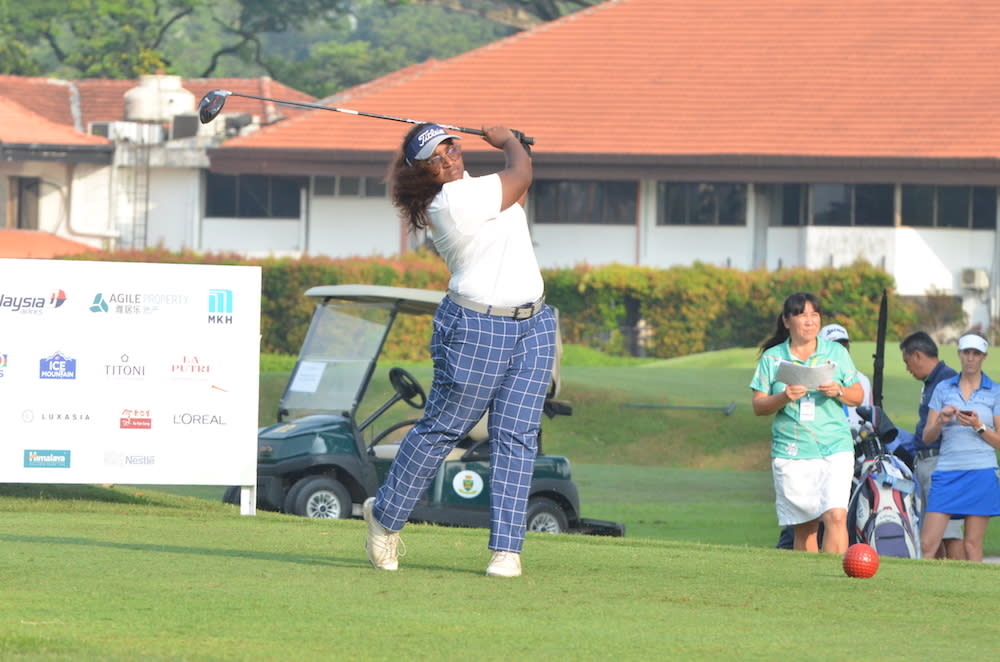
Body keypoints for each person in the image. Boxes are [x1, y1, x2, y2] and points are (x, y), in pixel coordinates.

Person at [362, 122, 556, 578]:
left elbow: (515, 197)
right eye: (434, 158)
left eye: (449, 147)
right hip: (477, 326)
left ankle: (507, 551)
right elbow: (520, 177)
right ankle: (385, 516)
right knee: (443, 428)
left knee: (517, 435)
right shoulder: (449, 202)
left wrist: (519, 151)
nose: (446, 158)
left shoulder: (479, 188)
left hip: (535, 323)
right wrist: (508, 141)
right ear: (421, 173)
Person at [751, 292, 864, 553]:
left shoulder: (835, 352)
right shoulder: (772, 357)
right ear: (787, 321)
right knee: (805, 526)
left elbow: (857, 395)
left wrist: (839, 391)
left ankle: (833, 584)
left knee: (836, 516)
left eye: (815, 315)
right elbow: (759, 406)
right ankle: (811, 583)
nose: (810, 321)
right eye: (802, 315)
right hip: (793, 449)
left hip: (835, 445)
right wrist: (784, 396)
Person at [775, 322, 872, 549]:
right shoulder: (805, 371)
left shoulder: (860, 380)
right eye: (836, 344)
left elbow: (863, 407)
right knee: (807, 519)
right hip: (807, 446)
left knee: (836, 514)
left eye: (844, 345)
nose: (841, 350)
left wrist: (840, 391)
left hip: (844, 447)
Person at [919, 331, 1000, 562]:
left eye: (976, 353)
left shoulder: (995, 391)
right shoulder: (943, 389)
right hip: (947, 470)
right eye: (966, 352)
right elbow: (927, 436)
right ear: (959, 354)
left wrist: (978, 425)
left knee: (972, 544)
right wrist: (942, 421)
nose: (971, 358)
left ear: (984, 356)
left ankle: (977, 596)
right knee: (927, 543)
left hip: (981, 471)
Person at [896, 331, 964, 559]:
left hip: (941, 462)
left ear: (917, 355)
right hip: (928, 462)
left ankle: (962, 579)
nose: (908, 369)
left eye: (907, 362)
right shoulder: (932, 381)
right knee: (932, 533)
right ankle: (940, 578)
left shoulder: (947, 381)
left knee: (950, 532)